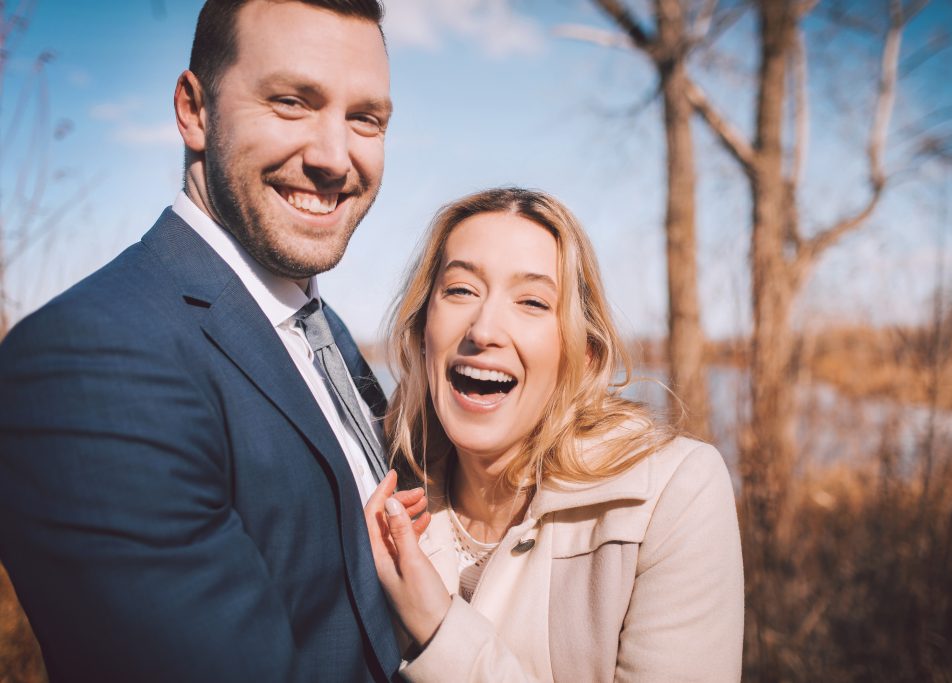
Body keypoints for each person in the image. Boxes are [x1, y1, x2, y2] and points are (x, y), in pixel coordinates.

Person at [0, 1, 422, 681]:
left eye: (365, 118)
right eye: (291, 101)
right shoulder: (90, 363)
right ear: (194, 110)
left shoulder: (323, 329)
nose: (333, 156)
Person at [364, 187, 745, 682]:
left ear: (581, 355)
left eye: (531, 301)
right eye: (461, 290)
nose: (484, 329)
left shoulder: (673, 494)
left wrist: (439, 628)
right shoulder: (374, 478)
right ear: (421, 332)